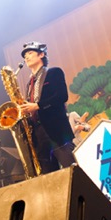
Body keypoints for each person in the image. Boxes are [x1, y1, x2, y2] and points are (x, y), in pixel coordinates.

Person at [19, 41, 76, 174]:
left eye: (30, 53)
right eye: (25, 55)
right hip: (39, 136)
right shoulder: (29, 84)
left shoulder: (54, 72)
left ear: (41, 54)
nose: (26, 57)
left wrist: (38, 105)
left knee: (72, 171)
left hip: (56, 132)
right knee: (49, 177)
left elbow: (62, 96)